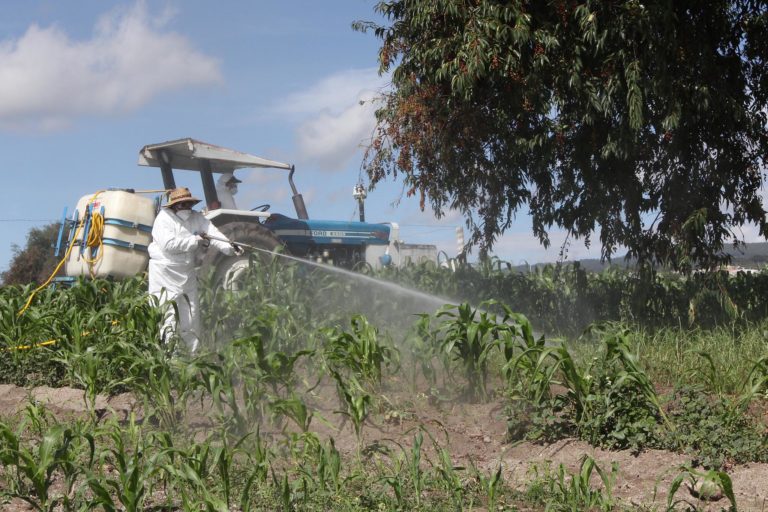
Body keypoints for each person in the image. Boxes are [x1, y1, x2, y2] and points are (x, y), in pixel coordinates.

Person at [148, 187, 244, 353]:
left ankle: (192, 358)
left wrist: (230, 247)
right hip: (164, 272)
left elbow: (213, 233)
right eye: (181, 204)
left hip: (186, 271)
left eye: (188, 204)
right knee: (167, 315)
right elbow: (168, 244)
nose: (185, 207)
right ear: (173, 206)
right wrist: (195, 240)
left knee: (191, 316)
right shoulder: (163, 219)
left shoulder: (197, 218)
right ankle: (168, 358)